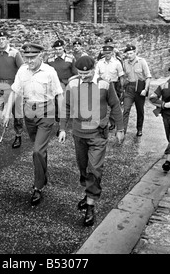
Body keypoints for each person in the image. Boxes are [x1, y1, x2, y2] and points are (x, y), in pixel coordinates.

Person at [58, 55, 125, 227]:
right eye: (80, 73)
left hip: (98, 134)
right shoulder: (72, 83)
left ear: (94, 69)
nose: (84, 76)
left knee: (95, 168)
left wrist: (120, 128)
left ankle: (90, 205)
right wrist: (63, 128)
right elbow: (66, 106)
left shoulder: (104, 84)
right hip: (79, 133)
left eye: (87, 73)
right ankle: (89, 192)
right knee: (83, 167)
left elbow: (115, 105)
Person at [3, 43, 63, 206]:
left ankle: (38, 187)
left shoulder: (50, 72)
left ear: (41, 57)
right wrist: (8, 112)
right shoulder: (22, 70)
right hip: (29, 114)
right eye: (26, 57)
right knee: (40, 151)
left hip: (46, 114)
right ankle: (42, 174)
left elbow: (59, 95)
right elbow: (14, 91)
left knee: (37, 151)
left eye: (32, 58)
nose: (28, 61)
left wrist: (62, 122)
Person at [122, 44, 152, 136]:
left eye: (131, 53)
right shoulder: (125, 63)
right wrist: (123, 87)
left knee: (140, 110)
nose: (129, 55)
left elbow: (148, 77)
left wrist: (145, 90)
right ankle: (123, 131)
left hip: (140, 88)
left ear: (135, 53)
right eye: (128, 54)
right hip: (129, 89)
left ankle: (139, 129)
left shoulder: (142, 62)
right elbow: (124, 76)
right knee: (126, 109)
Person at [95, 45, 125, 129]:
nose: (107, 54)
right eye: (105, 53)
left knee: (114, 104)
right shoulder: (100, 62)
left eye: (109, 53)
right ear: (103, 53)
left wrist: (122, 88)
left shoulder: (117, 63)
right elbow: (96, 74)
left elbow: (121, 76)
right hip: (102, 85)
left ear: (112, 53)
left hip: (114, 85)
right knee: (103, 103)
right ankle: (102, 122)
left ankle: (112, 122)